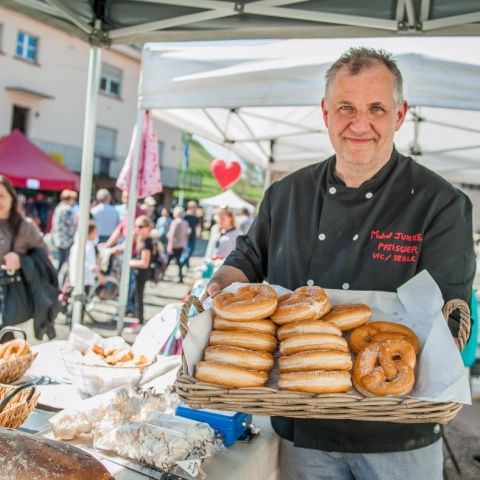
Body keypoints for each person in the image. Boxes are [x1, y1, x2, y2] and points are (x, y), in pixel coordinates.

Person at [204, 47, 475, 480]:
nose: (359, 123)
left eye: (376, 109)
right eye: (346, 107)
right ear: (325, 112)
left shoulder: (440, 204)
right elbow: (246, 260)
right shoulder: (286, 194)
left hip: (398, 433)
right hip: (302, 426)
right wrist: (221, 285)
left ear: (400, 114)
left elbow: (448, 317)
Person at [0, 176, 57, 338]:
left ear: (12, 198)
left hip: (13, 298)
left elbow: (45, 260)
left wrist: (21, 260)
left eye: (2, 196)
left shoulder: (25, 226)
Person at [128, 215, 154, 331]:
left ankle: (140, 322)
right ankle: (138, 321)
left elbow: (144, 263)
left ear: (147, 227)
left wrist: (129, 263)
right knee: (136, 297)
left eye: (140, 226)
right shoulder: (141, 240)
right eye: (136, 226)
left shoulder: (147, 242)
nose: (137, 229)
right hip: (139, 273)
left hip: (141, 273)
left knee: (138, 298)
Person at [51, 189, 77, 274]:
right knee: (64, 263)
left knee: (59, 262)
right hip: (66, 240)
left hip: (59, 238)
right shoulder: (67, 209)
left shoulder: (59, 207)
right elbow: (72, 224)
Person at [165, 206, 190, 283]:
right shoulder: (186, 223)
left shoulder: (175, 222)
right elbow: (187, 234)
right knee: (179, 261)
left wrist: (169, 246)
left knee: (168, 260)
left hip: (174, 245)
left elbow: (171, 235)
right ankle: (180, 276)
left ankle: (162, 274)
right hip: (181, 245)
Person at [182, 200, 200, 269]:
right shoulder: (186, 216)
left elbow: (198, 225)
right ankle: (182, 262)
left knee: (191, 250)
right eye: (194, 207)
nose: (195, 208)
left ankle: (186, 263)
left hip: (193, 235)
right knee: (188, 250)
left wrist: (198, 232)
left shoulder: (196, 216)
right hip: (186, 236)